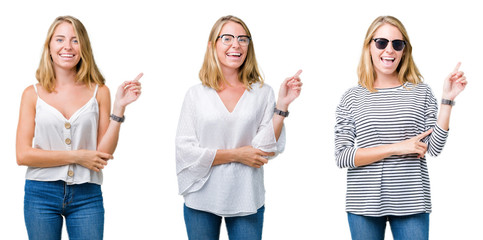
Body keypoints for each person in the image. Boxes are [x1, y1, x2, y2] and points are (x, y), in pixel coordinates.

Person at [334, 15, 467, 240]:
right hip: (364, 202)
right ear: (369, 47)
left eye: (397, 44)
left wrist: (447, 100)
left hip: (412, 200)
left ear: (404, 50)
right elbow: (342, 157)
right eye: (381, 43)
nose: (390, 50)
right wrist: (397, 148)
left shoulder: (421, 92)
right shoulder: (352, 97)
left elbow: (433, 148)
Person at [175, 15, 302, 240]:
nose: (236, 44)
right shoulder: (196, 95)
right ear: (212, 45)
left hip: (246, 197)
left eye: (243, 39)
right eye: (228, 38)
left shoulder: (263, 93)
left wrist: (282, 106)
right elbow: (185, 152)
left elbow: (264, 149)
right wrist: (237, 154)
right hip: (201, 198)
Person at [16, 15, 142, 240]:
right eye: (60, 39)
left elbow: (103, 154)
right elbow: (23, 154)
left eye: (75, 40)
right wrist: (77, 156)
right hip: (40, 194)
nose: (67, 47)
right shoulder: (31, 94)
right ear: (49, 46)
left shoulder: (99, 91)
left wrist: (120, 108)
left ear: (84, 46)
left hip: (87, 195)